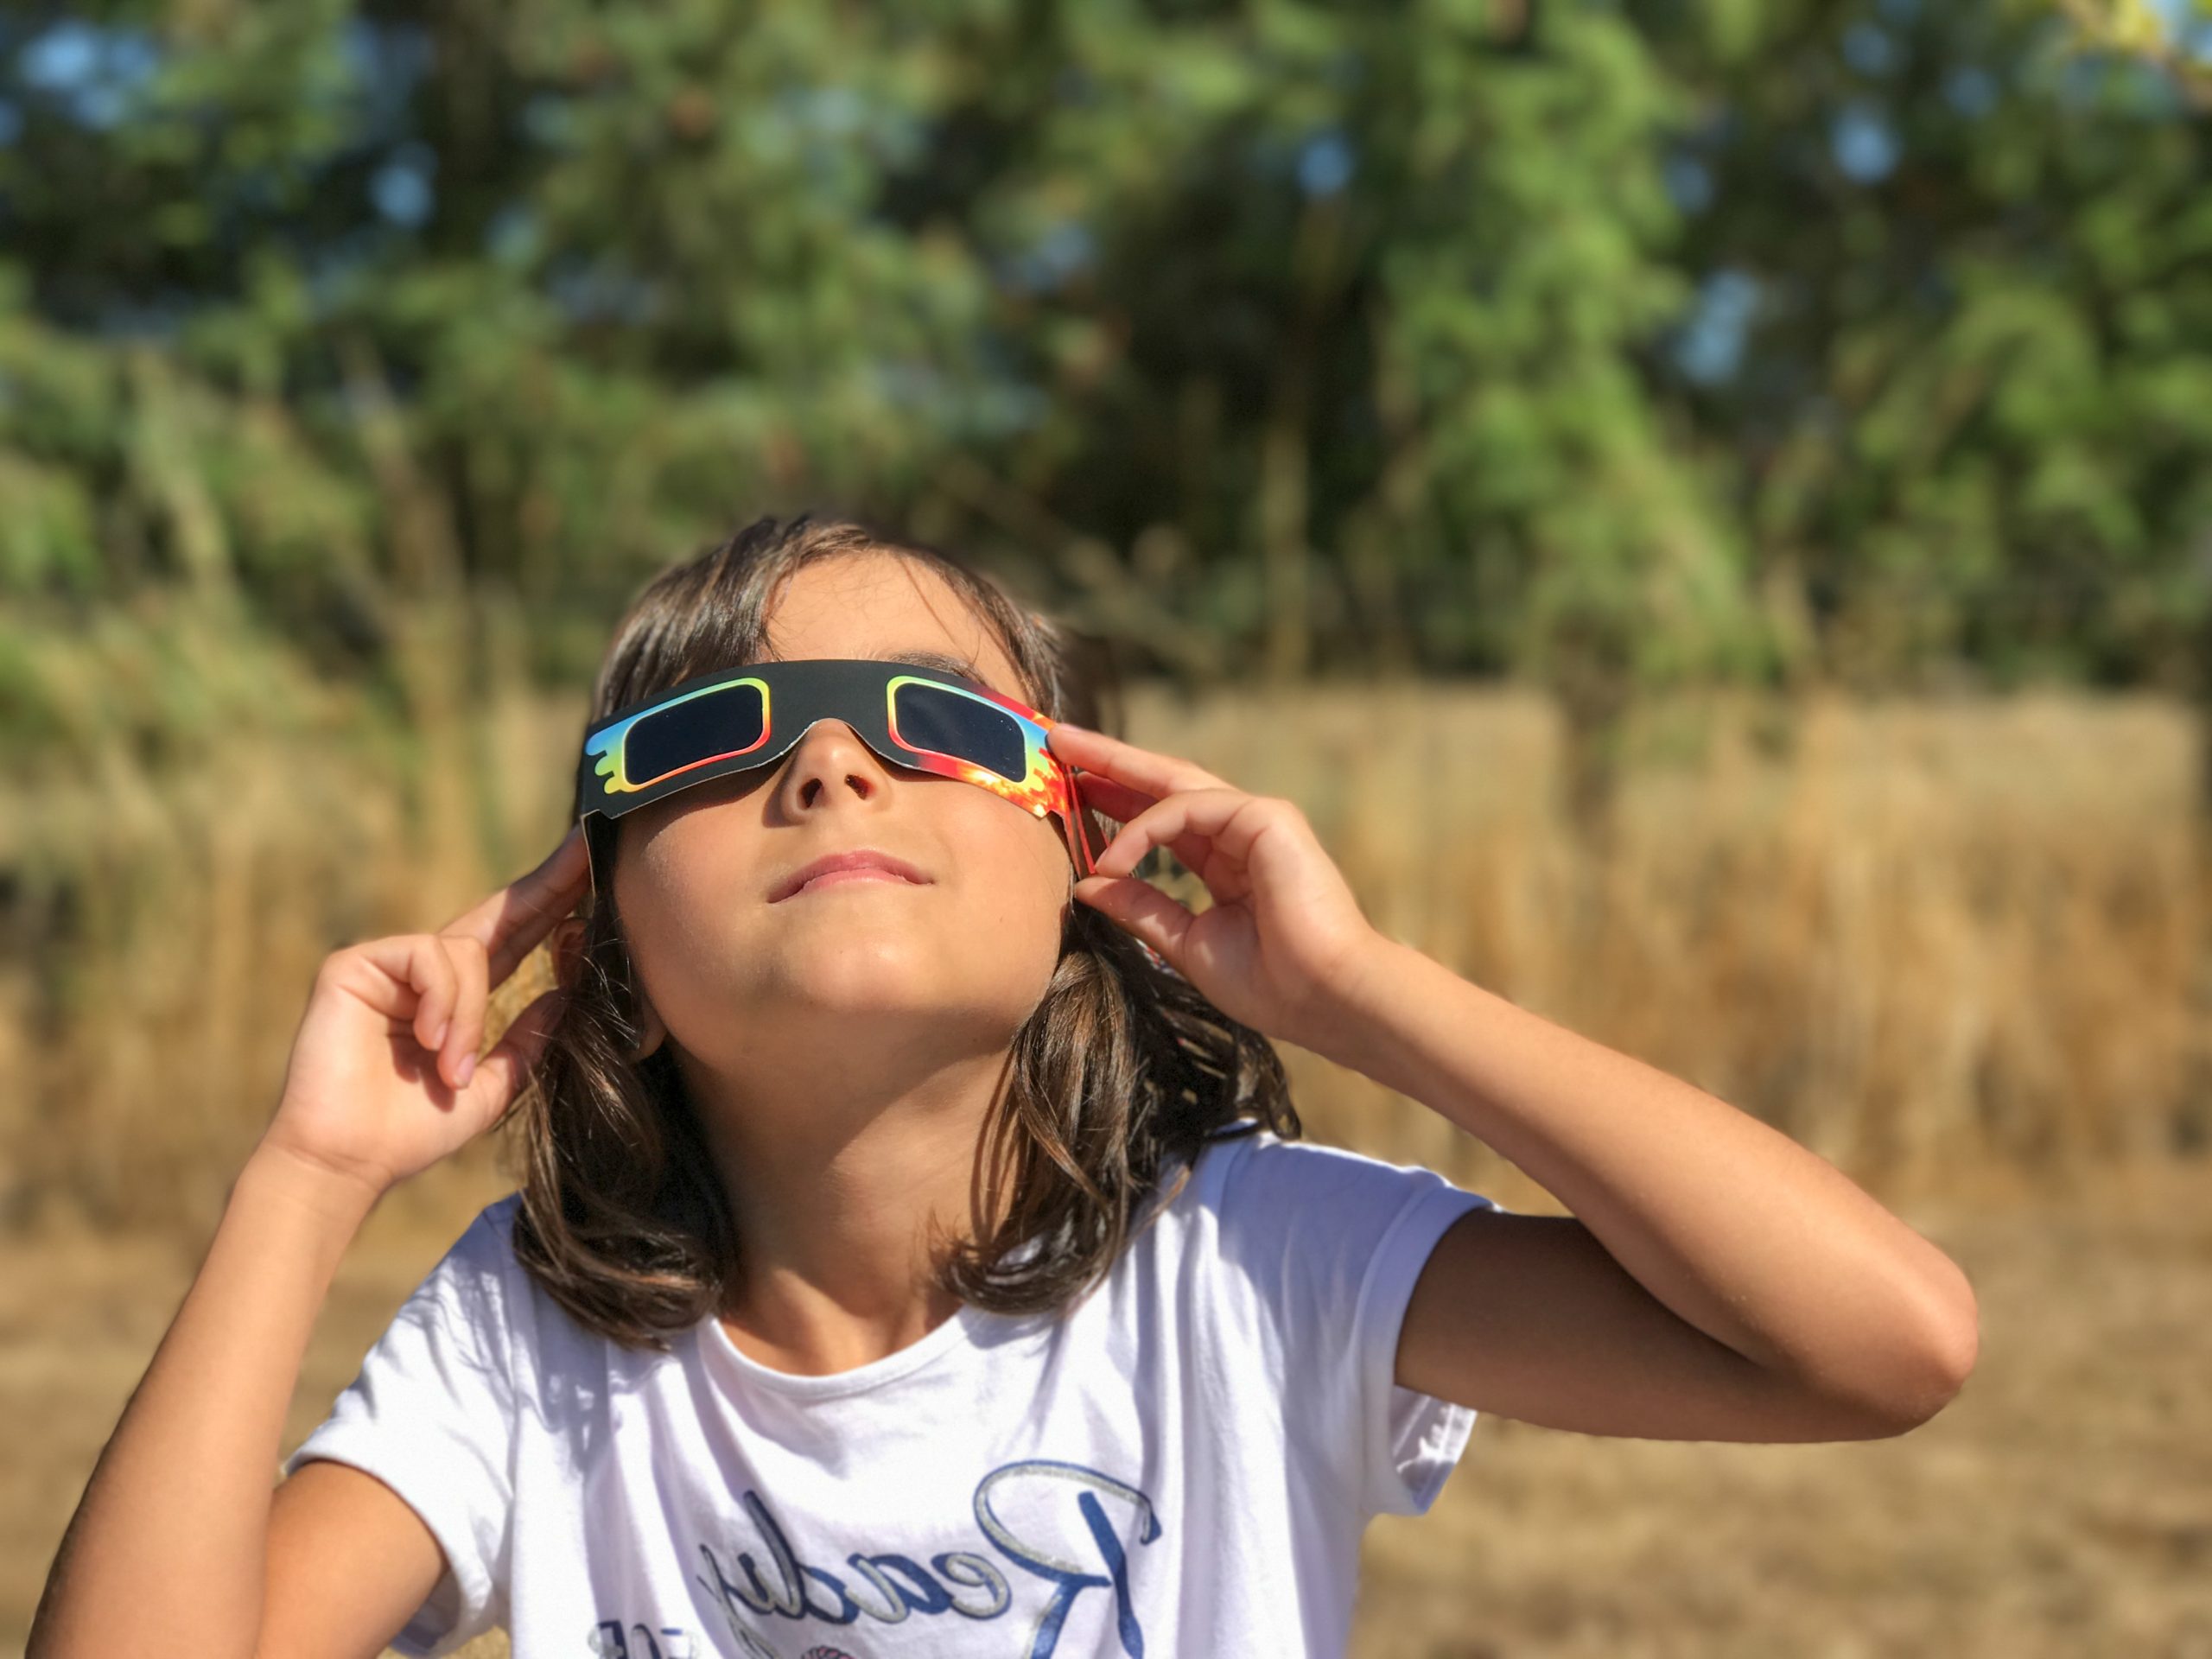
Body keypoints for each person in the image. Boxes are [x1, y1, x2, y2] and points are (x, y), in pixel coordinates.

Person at [29, 513, 1979, 1659]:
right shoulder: (533, 1337)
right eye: (716, 742)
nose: (831, 771)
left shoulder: (1244, 1266)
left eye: (935, 726)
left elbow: (1876, 1348)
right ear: (597, 923)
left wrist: (1357, 994)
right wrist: (304, 1178)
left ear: (1084, 866)